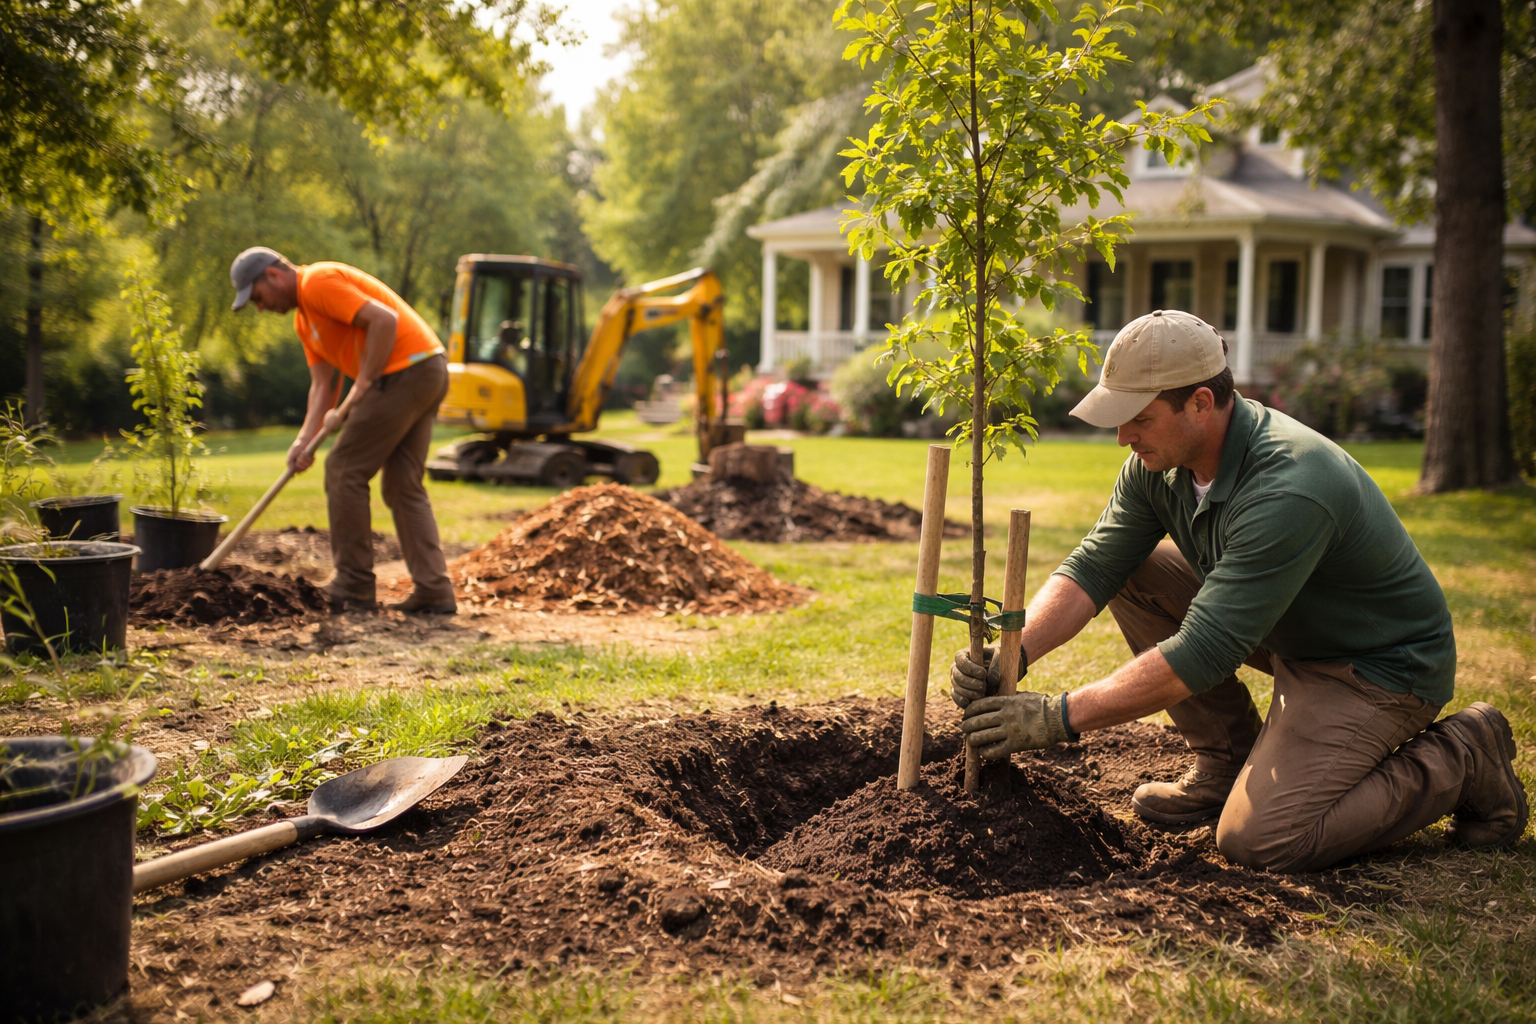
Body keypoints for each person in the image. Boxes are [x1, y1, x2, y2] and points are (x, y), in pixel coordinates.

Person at [951, 309, 1526, 872]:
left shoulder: (1292, 483)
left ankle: (1465, 755)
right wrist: (1014, 652)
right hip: (1287, 629)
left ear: (1201, 402)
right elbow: (1096, 564)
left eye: (1140, 419)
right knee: (1137, 567)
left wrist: (1058, 717)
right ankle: (1224, 761)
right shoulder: (1160, 465)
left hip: (1373, 667)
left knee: (1263, 840)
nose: (1123, 437)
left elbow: (1203, 651)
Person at [229, 246, 457, 614]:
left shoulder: (318, 282)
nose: (260, 307)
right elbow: (322, 387)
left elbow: (383, 320)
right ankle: (434, 590)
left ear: (272, 275)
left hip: (406, 371)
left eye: (257, 297)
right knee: (402, 484)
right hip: (425, 370)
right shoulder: (304, 321)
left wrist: (365, 378)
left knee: (344, 470)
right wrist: (304, 440)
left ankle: (354, 584)